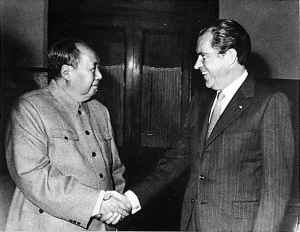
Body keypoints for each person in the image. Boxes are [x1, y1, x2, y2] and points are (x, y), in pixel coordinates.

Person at [122, 19, 295, 231]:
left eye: (203, 56)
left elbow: (275, 191)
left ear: (230, 56)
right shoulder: (200, 102)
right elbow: (175, 160)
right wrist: (129, 200)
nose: (196, 64)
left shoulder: (270, 102)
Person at [5, 38, 132, 231]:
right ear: (67, 72)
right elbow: (33, 175)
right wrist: (97, 204)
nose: (100, 75)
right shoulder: (30, 108)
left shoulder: (100, 111)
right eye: (93, 68)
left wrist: (115, 208)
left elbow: (115, 171)